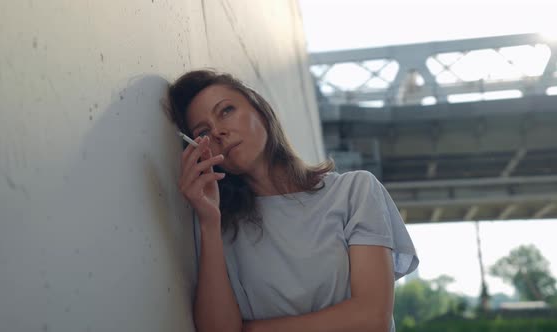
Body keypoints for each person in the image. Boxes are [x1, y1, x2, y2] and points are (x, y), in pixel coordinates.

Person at [165, 69, 419, 332]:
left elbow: (371, 318)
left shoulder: (355, 191)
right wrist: (209, 222)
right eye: (203, 131)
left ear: (261, 112)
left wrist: (249, 329)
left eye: (226, 110)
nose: (218, 131)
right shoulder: (215, 225)